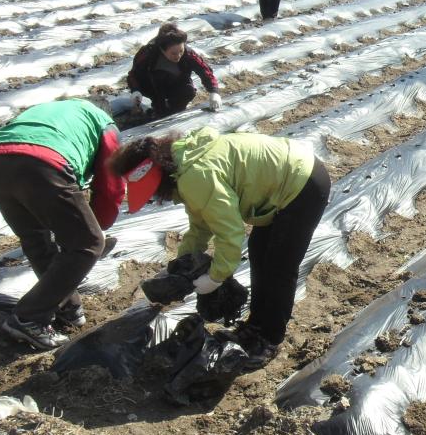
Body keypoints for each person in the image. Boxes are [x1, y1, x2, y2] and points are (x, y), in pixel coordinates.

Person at [111, 127, 331, 369]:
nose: (155, 197)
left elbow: (230, 232)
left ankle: (269, 339)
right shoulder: (184, 164)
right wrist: (182, 264)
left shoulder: (196, 175)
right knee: (259, 252)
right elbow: (200, 224)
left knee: (279, 266)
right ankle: (256, 326)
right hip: (282, 181)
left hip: (301, 183)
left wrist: (216, 277)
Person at [0, 100, 125, 350]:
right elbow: (111, 183)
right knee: (87, 243)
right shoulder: (103, 122)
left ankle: (66, 306)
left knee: (36, 238)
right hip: (40, 165)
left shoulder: (51, 110)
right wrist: (97, 226)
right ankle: (28, 318)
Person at [128, 22, 221, 118]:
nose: (178, 56)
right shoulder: (148, 53)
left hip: (177, 84)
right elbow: (134, 74)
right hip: (153, 86)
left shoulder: (188, 54)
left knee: (187, 92)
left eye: (181, 51)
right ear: (162, 49)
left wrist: (214, 91)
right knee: (161, 112)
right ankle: (158, 109)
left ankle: (174, 108)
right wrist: (136, 90)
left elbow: (204, 70)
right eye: (173, 53)